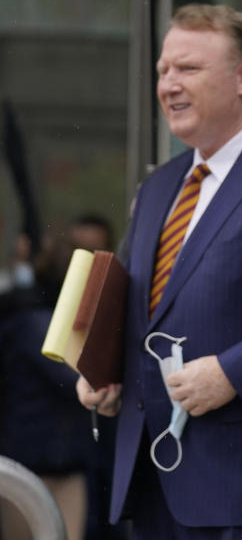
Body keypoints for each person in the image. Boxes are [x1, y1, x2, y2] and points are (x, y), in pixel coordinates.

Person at [76, 4, 242, 539]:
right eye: (162, 70)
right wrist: (102, 368)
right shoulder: (157, 188)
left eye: (188, 69)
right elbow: (137, 303)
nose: (168, 83)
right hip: (152, 480)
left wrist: (233, 372)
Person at [0, 216, 113, 540]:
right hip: (33, 465)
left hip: (61, 462)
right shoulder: (37, 323)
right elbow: (73, 374)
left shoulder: (29, 317)